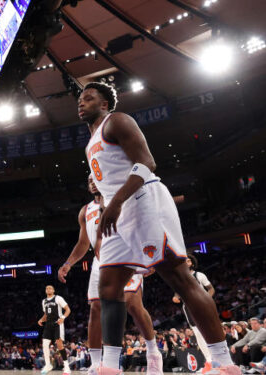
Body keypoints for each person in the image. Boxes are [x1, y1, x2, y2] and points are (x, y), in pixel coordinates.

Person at [78, 82, 237, 375]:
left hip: (141, 201)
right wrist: (108, 200)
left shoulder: (118, 121)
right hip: (116, 210)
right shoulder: (90, 141)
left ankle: (225, 364)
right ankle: (109, 367)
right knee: (109, 288)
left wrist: (115, 203)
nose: (81, 102)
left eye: (89, 98)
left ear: (104, 105)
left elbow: (147, 162)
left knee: (179, 277)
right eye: (80, 98)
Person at [58, 176, 163, 374]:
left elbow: (142, 223)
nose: (91, 181)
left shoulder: (121, 199)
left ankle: (153, 352)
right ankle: (97, 364)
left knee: (132, 304)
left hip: (127, 253)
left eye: (95, 177)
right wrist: (68, 263)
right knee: (96, 309)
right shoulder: (85, 211)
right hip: (101, 261)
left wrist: (149, 254)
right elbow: (83, 243)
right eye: (88, 179)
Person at [173, 255, 217, 371]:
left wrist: (207, 299)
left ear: (192, 263)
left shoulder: (199, 275)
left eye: (188, 260)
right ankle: (209, 361)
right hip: (188, 307)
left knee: (210, 332)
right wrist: (175, 297)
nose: (186, 262)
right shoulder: (180, 278)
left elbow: (211, 289)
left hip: (203, 305)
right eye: (184, 261)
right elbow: (177, 293)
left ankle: (218, 359)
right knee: (198, 334)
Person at [38, 285, 71, 374]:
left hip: (57, 323)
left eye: (50, 288)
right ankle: (48, 365)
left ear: (53, 290)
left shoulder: (58, 298)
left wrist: (63, 317)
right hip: (48, 325)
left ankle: (66, 366)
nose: (48, 289)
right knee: (45, 344)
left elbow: (68, 309)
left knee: (59, 344)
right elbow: (46, 315)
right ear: (45, 291)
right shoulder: (44, 301)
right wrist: (41, 319)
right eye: (46, 288)